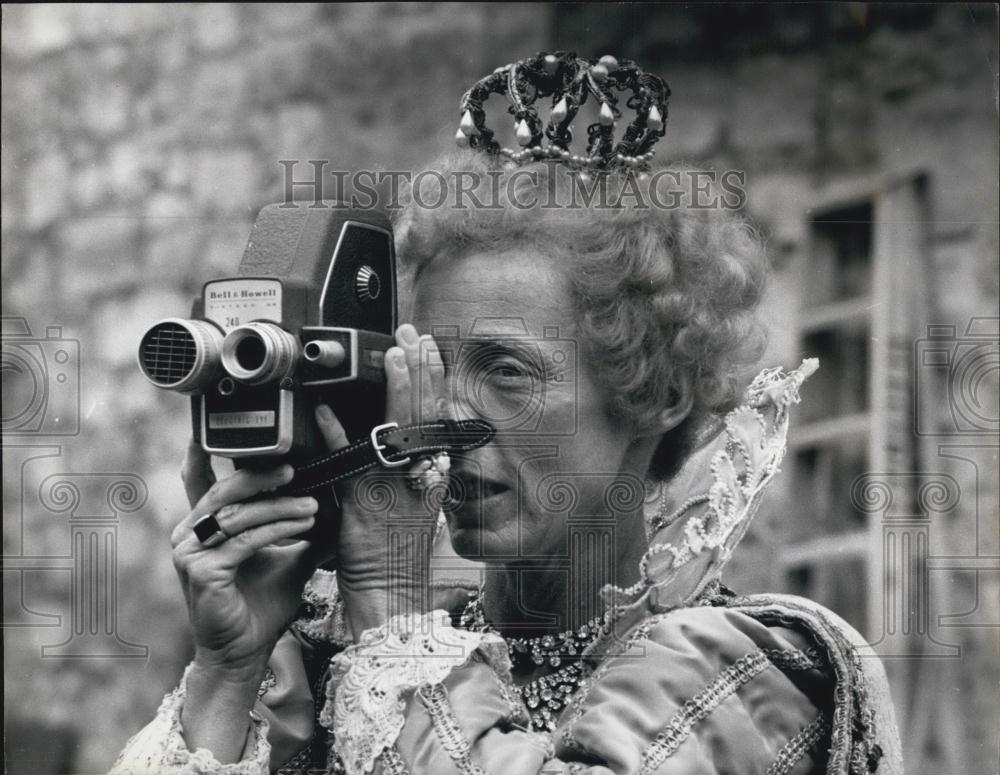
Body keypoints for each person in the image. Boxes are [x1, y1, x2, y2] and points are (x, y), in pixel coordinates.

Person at [111, 53, 902, 775]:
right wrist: (229, 668)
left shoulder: (748, 672)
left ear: (656, 394)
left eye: (507, 371)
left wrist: (390, 599)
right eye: (428, 368)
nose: (446, 420)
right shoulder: (347, 657)